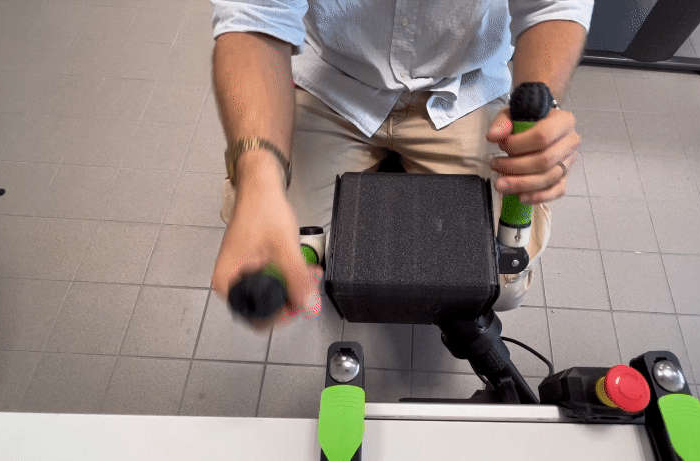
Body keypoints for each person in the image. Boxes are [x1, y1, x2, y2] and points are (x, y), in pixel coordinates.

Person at [209, 0, 593, 324]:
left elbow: (551, 6)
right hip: (333, 80)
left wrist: (540, 104)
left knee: (503, 280)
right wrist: (259, 176)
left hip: (464, 84)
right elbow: (256, 16)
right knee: (273, 257)